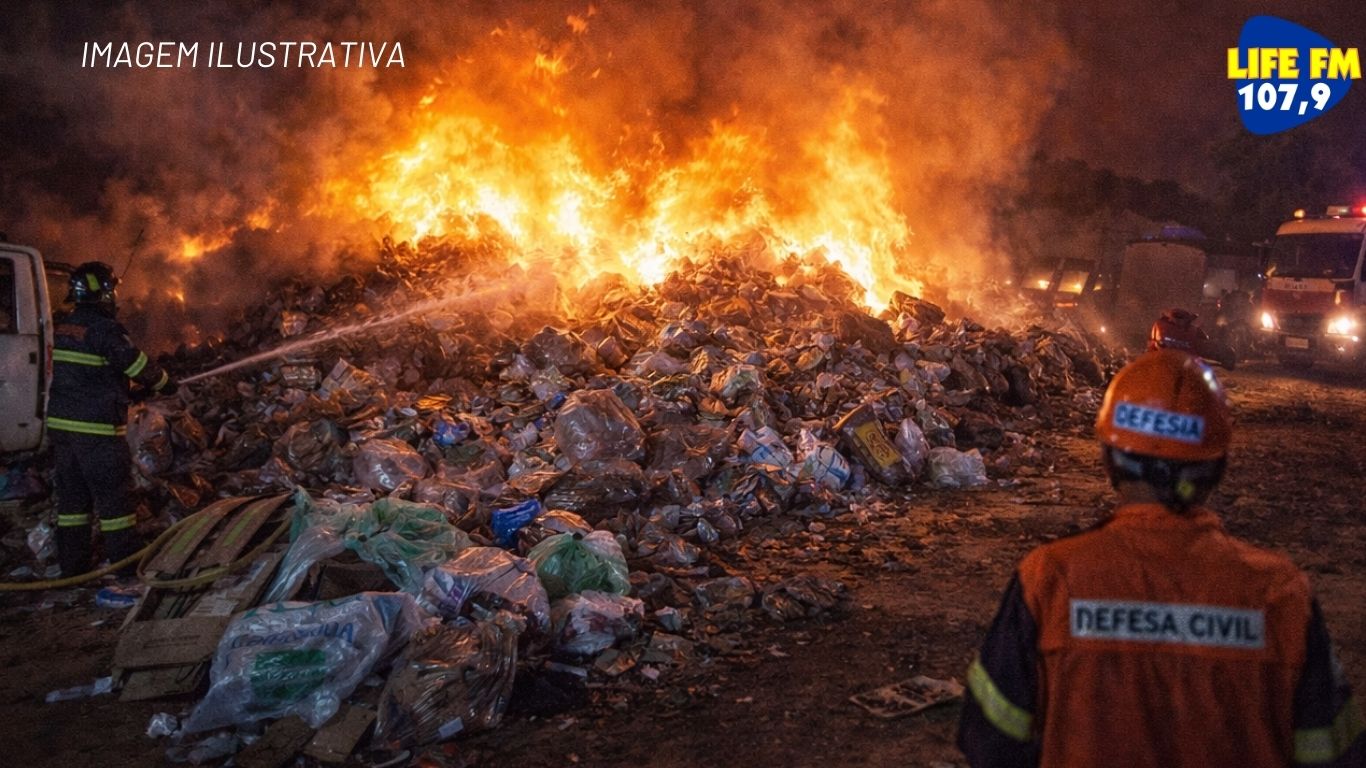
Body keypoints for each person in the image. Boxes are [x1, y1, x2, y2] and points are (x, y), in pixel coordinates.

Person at [957, 349, 1364, 767]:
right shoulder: (1280, 595)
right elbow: (1335, 752)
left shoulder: (1051, 579)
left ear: (1109, 459)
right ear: (1217, 465)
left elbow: (989, 740)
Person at [48, 261, 177, 576]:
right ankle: (123, 565)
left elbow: (86, 376)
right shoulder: (106, 329)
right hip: (97, 431)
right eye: (111, 291)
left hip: (63, 430)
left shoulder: (65, 326)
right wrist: (165, 383)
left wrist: (122, 393)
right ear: (102, 293)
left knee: (73, 503)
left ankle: (72, 567)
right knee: (115, 500)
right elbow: (135, 365)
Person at [1149, 307, 1235, 369]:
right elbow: (1206, 342)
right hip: (1180, 363)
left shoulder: (1159, 324)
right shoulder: (1193, 331)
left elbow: (1153, 344)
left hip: (1168, 362)